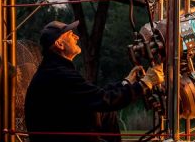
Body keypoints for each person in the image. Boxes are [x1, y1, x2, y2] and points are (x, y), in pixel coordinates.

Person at [25, 20, 164, 142]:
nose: (77, 37)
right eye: (70, 35)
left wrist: (126, 82)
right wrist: (145, 83)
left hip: (63, 134)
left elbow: (95, 95)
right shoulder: (59, 74)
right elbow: (103, 100)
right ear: (59, 44)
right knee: (101, 110)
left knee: (105, 113)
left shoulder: (54, 69)